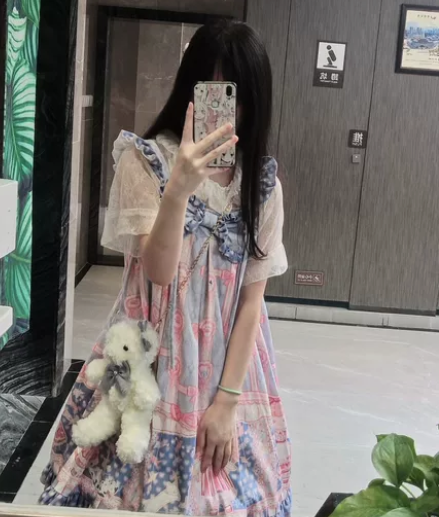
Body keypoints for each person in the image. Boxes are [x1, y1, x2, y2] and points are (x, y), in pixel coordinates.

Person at [40, 19, 292, 516]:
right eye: (212, 90)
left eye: (237, 95)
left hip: (229, 366)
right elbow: (158, 272)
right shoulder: (144, 160)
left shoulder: (261, 184)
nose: (226, 109)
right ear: (190, 89)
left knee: (232, 492)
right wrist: (178, 188)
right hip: (150, 352)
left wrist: (228, 400)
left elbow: (251, 301)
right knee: (127, 482)